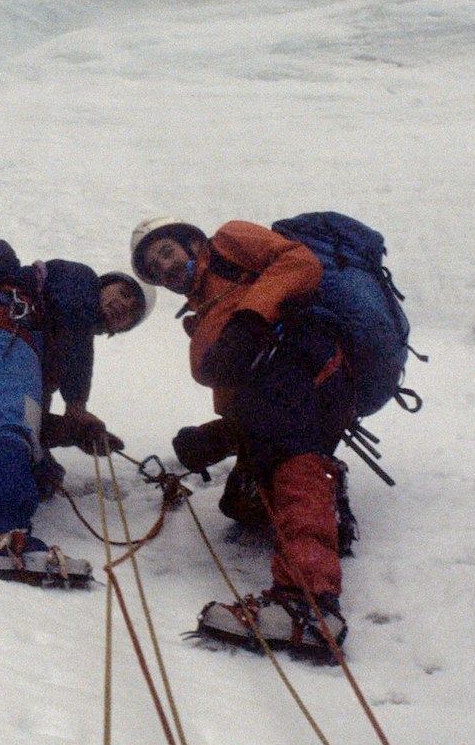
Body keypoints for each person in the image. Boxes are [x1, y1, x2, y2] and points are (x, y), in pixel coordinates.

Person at [131, 215, 354, 659]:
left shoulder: (231, 242)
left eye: (166, 252)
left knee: (291, 459)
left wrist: (252, 317)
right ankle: (327, 499)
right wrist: (215, 437)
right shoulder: (201, 316)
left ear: (193, 242)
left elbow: (299, 261)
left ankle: (307, 603)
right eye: (155, 268)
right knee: (243, 505)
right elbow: (234, 397)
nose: (165, 267)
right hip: (274, 391)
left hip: (298, 361)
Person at [0, 258, 152, 581]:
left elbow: (29, 421)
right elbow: (16, 419)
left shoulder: (54, 341)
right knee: (10, 430)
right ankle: (0, 538)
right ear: (103, 284)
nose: (122, 304)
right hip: (4, 335)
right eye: (121, 292)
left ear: (118, 332)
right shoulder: (80, 278)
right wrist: (77, 405)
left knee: (32, 460)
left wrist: (70, 433)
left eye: (131, 312)